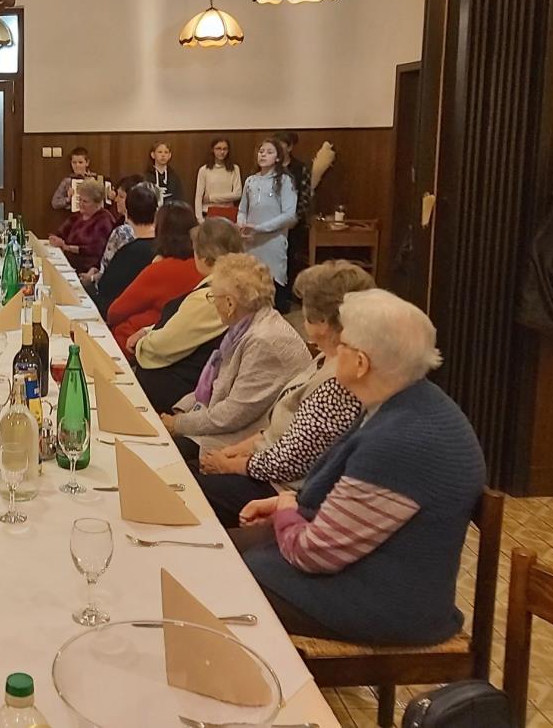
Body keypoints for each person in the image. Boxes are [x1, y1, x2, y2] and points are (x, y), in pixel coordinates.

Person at [234, 290, 486, 645]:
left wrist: (288, 509)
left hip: (388, 605)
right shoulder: (407, 401)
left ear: (361, 363)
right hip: (369, 572)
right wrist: (284, 506)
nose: (333, 351)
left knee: (224, 580)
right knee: (218, 550)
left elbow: (313, 553)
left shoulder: (404, 439)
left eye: (342, 343)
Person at [192, 260, 374, 528]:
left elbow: (291, 462)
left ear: (323, 321)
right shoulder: (327, 356)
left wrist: (229, 464)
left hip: (283, 488)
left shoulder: (340, 380)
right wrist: (231, 453)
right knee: (185, 471)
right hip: (267, 464)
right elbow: (275, 430)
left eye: (306, 307)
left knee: (188, 490)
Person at [161, 253, 311, 460]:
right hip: (227, 423)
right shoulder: (244, 326)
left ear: (230, 304)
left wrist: (178, 424)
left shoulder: (264, 340)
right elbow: (213, 385)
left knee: (164, 455)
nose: (213, 304)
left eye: (213, 297)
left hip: (247, 440)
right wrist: (181, 412)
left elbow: (233, 415)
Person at [129, 218, 243, 414]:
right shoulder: (233, 284)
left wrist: (141, 344)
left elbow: (166, 344)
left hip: (186, 387)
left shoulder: (213, 296)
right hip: (197, 378)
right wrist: (147, 331)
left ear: (205, 257)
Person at [108, 201, 200, 351]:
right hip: (184, 342)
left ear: (160, 231)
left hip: (146, 344)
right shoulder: (203, 267)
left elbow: (115, 312)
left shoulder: (160, 270)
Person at [238, 139, 298, 313]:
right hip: (251, 241)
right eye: (261, 151)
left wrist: (261, 228)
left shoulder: (284, 181)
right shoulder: (251, 181)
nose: (263, 155)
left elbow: (289, 214)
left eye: (269, 152)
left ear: (278, 158)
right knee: (252, 283)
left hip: (273, 241)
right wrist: (242, 224)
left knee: (272, 283)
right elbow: (242, 209)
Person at [93, 182, 160, 317]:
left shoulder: (127, 253)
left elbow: (104, 287)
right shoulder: (166, 246)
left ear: (128, 214)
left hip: (123, 315)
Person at [83, 174, 146, 288]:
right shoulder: (120, 221)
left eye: (121, 196)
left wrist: (91, 278)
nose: (116, 200)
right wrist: (95, 269)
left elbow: (113, 271)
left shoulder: (124, 231)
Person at [48, 179, 116, 274]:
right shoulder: (76, 216)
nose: (80, 204)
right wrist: (55, 239)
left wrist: (66, 247)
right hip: (67, 264)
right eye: (79, 199)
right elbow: (58, 234)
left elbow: (96, 250)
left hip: (86, 271)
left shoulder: (104, 220)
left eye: (85, 201)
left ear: (97, 203)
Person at [272, 130, 313, 288]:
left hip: (294, 224)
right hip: (272, 223)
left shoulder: (300, 168)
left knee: (292, 261)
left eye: (281, 145)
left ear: (289, 147)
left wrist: (295, 217)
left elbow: (305, 197)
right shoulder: (269, 168)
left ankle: (290, 294)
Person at [193, 137, 243, 222]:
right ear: (213, 150)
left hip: (228, 213)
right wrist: (199, 219)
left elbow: (237, 194)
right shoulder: (204, 170)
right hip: (208, 212)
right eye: (218, 148)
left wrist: (211, 198)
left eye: (225, 149)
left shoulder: (235, 169)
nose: (222, 152)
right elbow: (198, 197)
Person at [50, 147, 100, 212]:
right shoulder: (67, 181)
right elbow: (54, 203)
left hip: (94, 215)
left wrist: (109, 196)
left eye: (80, 162)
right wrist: (68, 199)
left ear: (87, 163)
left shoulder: (95, 179)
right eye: (74, 162)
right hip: (76, 215)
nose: (77, 165)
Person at [144, 141, 184, 206]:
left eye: (166, 152)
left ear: (169, 155)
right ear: (153, 155)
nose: (163, 155)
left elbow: (179, 198)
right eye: (160, 152)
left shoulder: (174, 177)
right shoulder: (146, 176)